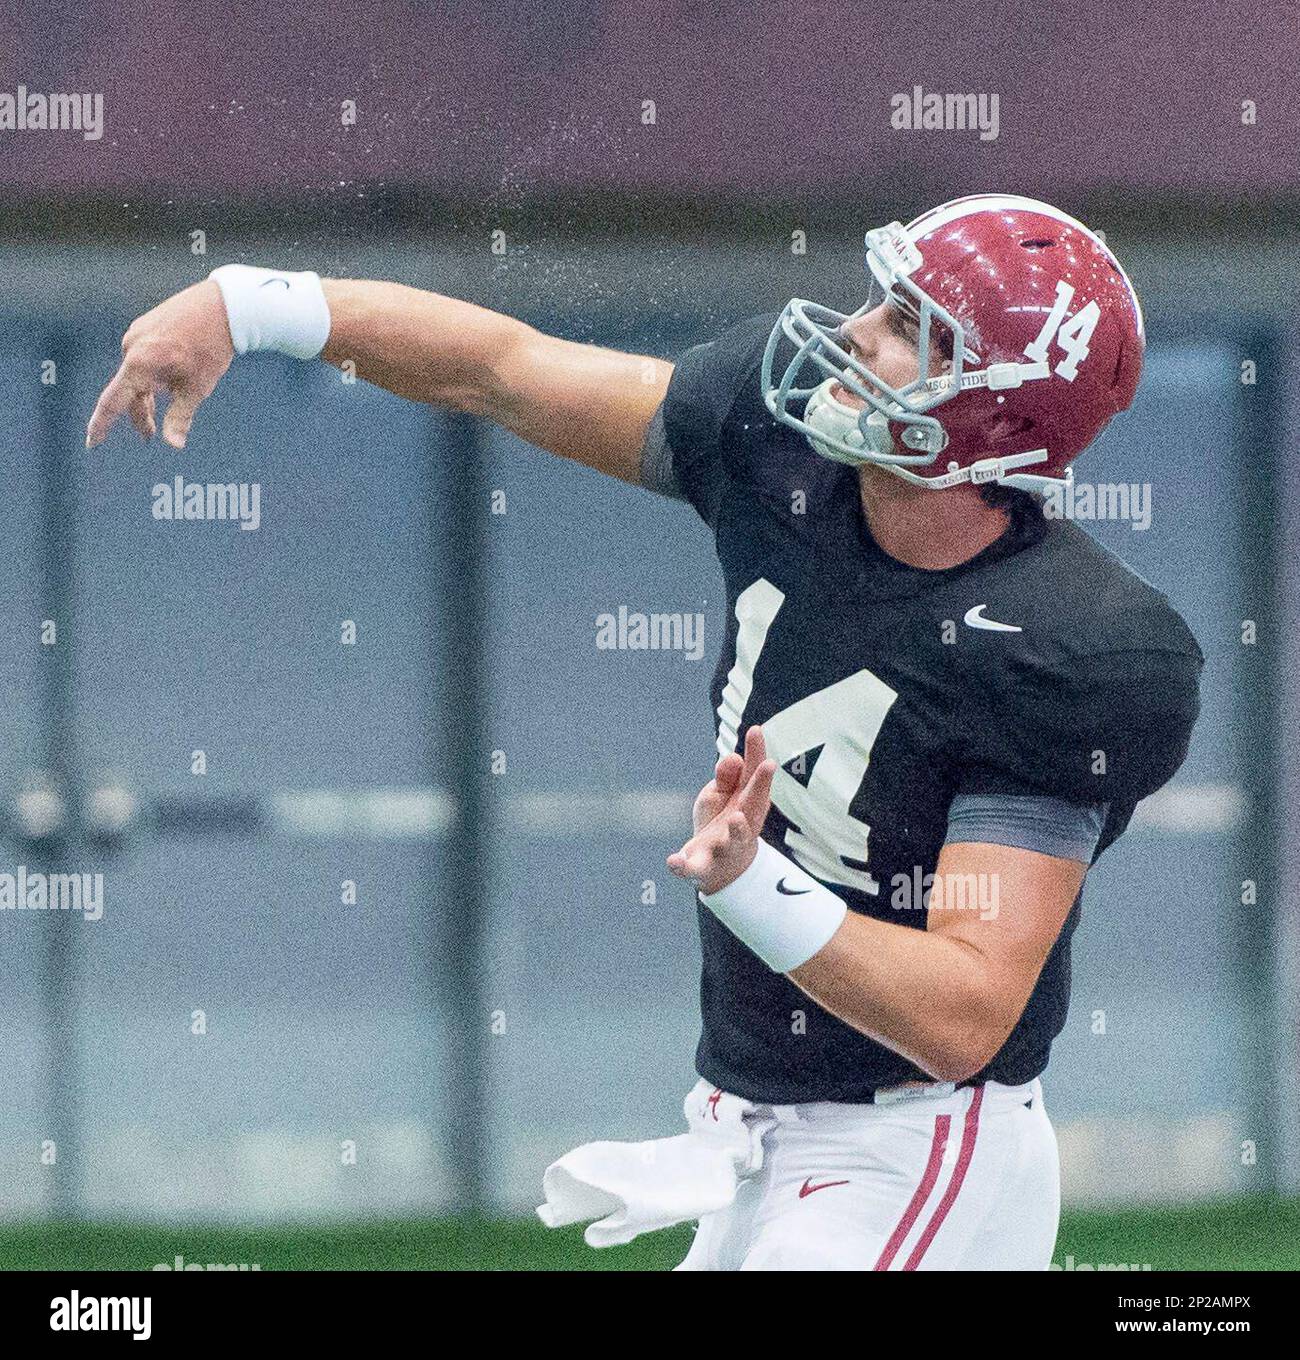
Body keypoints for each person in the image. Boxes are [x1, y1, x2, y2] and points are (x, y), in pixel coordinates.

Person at [87, 193, 1202, 1270]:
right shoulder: (781, 452)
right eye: (879, 298)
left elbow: (963, 1013)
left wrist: (755, 885)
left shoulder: (1062, 649)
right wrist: (249, 304)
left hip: (916, 1145)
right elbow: (504, 369)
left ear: (998, 416)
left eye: (910, 328)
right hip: (762, 1122)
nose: (855, 335)